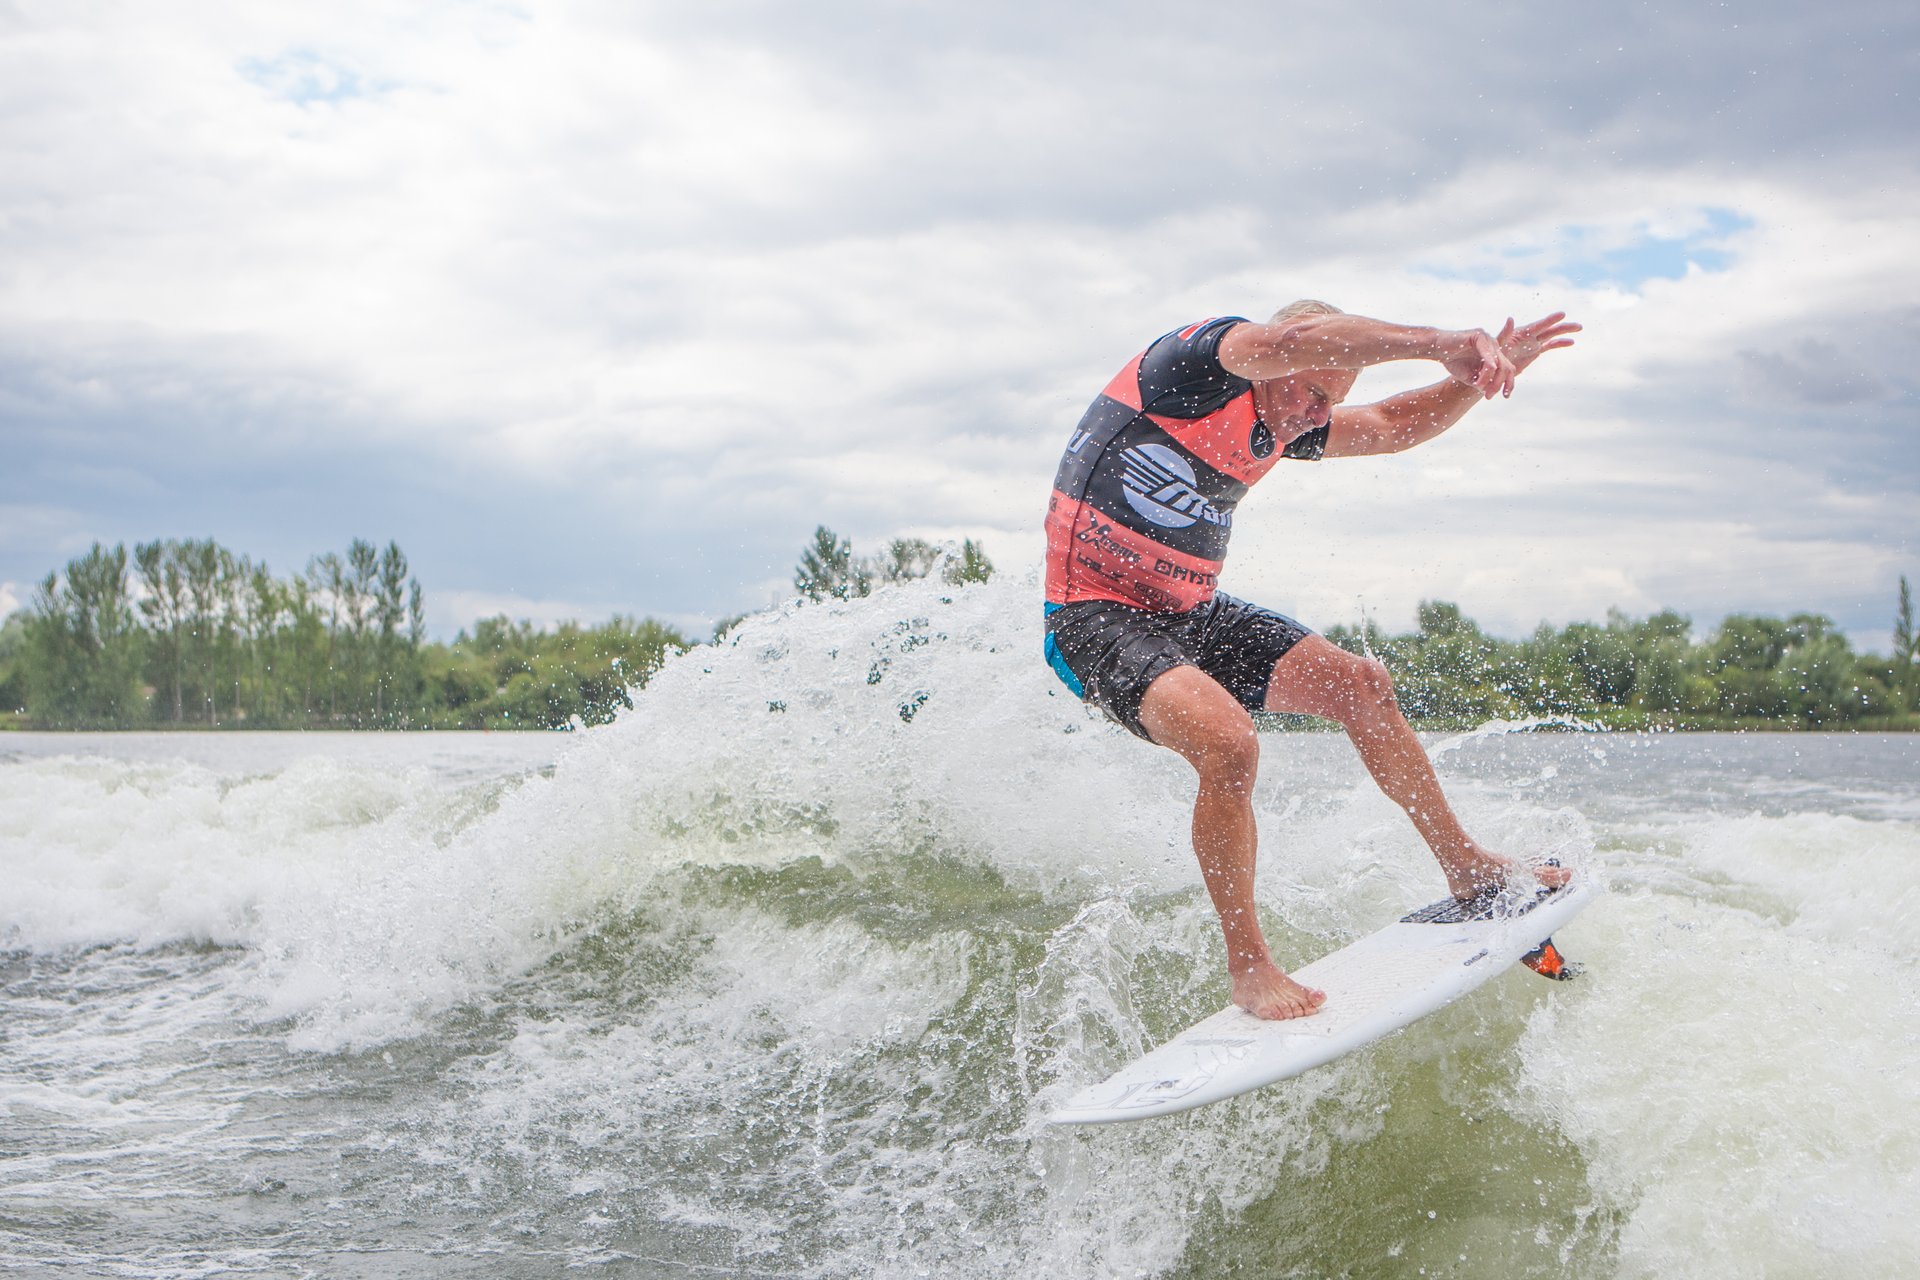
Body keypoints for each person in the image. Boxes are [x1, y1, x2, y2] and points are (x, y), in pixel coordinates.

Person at [1041, 301, 1581, 1021]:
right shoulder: (1189, 370)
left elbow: (1390, 425)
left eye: (1332, 400)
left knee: (1361, 685)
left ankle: (1467, 868)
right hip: (1095, 615)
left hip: (1193, 611)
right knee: (1230, 744)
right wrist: (1446, 342)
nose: (1318, 415)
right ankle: (1249, 967)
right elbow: (1299, 338)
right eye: (1315, 392)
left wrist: (1478, 379)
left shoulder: (1284, 420)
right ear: (1276, 362)